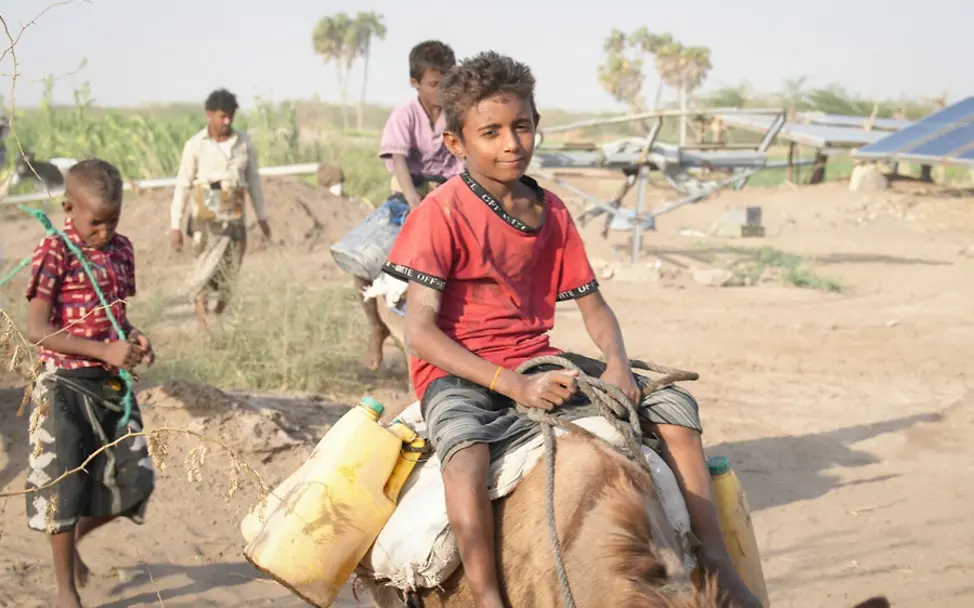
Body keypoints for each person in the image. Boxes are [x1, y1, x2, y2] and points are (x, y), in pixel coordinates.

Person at [382, 52, 762, 608]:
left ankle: (717, 559)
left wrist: (617, 363)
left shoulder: (551, 212)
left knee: (676, 408)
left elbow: (594, 306)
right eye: (491, 132)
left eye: (521, 126)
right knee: (466, 456)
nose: (511, 143)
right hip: (461, 371)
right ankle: (487, 595)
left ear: (536, 124)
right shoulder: (439, 214)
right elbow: (420, 334)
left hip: (539, 358)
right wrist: (511, 385)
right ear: (456, 144)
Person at [24, 158, 156, 608]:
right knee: (64, 488)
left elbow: (116, 314)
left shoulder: (122, 250)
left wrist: (134, 338)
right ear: (69, 208)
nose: (104, 232)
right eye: (96, 222)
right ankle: (66, 589)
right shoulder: (55, 251)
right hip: (62, 384)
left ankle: (71, 542)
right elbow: (37, 329)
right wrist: (104, 351)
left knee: (136, 481)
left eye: (112, 221)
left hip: (109, 385)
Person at [356, 40, 463, 372]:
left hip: (449, 197)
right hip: (407, 198)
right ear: (415, 83)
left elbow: (466, 160)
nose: (442, 90)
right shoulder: (404, 115)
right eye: (434, 84)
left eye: (447, 82)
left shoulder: (457, 114)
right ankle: (376, 327)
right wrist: (416, 204)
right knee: (361, 264)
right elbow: (399, 161)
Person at [170, 88, 272, 331]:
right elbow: (182, 186)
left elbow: (254, 183)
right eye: (222, 116)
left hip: (234, 213)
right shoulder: (195, 145)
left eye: (230, 116)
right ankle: (203, 323)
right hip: (206, 215)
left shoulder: (243, 143)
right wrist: (175, 226)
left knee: (231, 269)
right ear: (209, 115)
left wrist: (263, 218)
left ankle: (218, 315)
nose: (226, 121)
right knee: (204, 269)